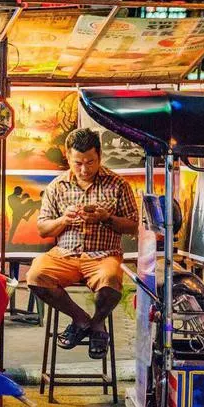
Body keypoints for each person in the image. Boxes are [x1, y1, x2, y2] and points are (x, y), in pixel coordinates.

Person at [27, 128, 138, 359]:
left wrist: (106, 218)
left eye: (91, 162)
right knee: (35, 275)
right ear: (68, 157)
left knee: (111, 279)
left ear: (100, 157)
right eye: (78, 163)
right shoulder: (57, 186)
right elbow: (42, 228)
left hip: (103, 255)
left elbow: (133, 226)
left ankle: (96, 324)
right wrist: (63, 220)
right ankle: (83, 321)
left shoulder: (118, 184)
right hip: (65, 254)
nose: (85, 169)